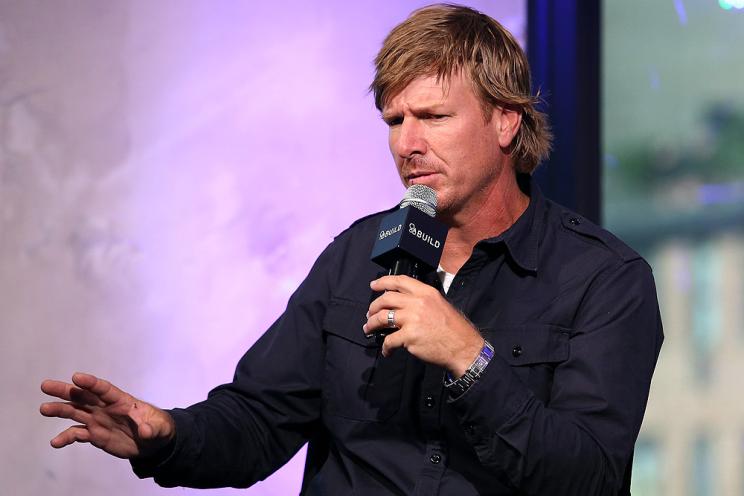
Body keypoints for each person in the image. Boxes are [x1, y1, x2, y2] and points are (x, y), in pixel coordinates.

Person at [40, 4, 663, 495]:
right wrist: (165, 435)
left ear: (506, 122)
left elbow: (590, 478)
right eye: (394, 121)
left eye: (433, 116)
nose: (407, 144)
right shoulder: (355, 255)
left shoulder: (604, 279)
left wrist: (470, 359)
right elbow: (258, 422)